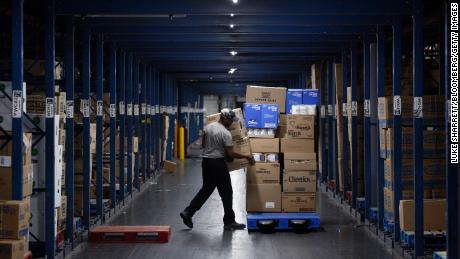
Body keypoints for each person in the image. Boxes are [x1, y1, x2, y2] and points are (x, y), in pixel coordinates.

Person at [180, 108, 254, 230]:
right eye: (230, 120)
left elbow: (203, 145)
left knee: (206, 190)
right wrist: (246, 156)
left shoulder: (208, 127)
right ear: (224, 118)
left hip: (206, 162)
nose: (232, 123)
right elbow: (230, 154)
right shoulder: (226, 134)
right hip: (218, 164)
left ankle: (188, 212)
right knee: (227, 193)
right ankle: (229, 221)